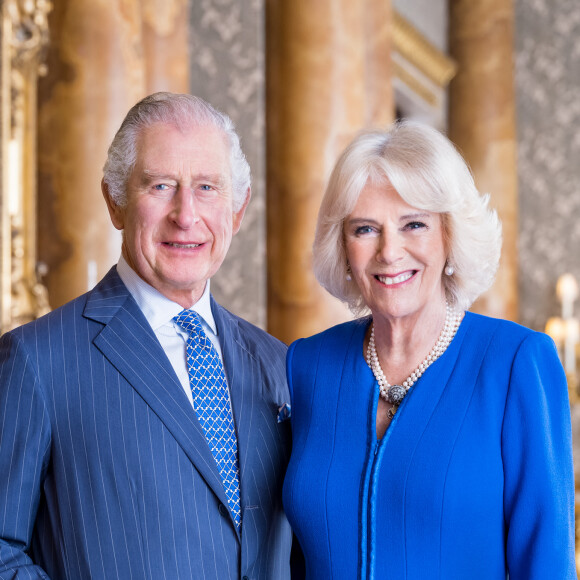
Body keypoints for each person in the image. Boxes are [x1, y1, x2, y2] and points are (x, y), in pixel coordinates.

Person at [0, 92, 293, 579]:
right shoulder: (37, 359)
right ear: (115, 202)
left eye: (207, 187)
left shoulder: (278, 364)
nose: (186, 214)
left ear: (237, 212)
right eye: (160, 186)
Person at [282, 120, 577, 579]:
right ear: (342, 246)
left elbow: (546, 563)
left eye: (413, 224)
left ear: (449, 235)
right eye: (365, 229)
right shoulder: (307, 366)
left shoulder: (516, 363)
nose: (390, 252)